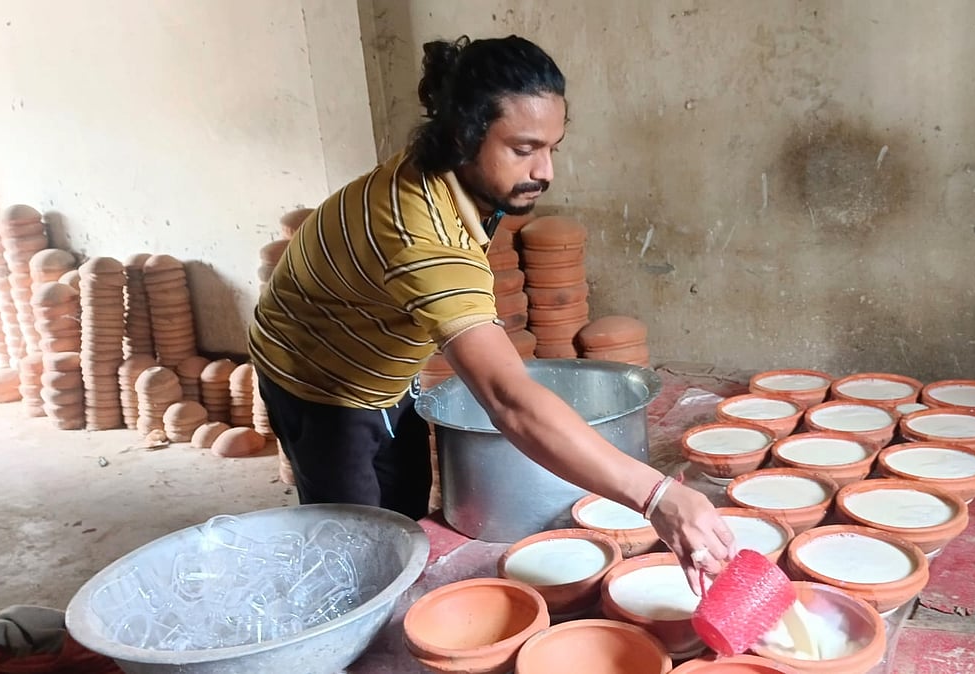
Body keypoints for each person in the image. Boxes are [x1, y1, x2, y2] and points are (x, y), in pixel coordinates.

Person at [249, 35, 734, 591]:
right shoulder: (423, 239)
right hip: (318, 374)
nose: (546, 171)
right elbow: (509, 402)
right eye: (523, 148)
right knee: (354, 545)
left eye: (554, 146)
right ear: (464, 136)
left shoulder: (451, 172)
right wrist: (659, 497)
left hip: (378, 349)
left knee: (402, 509)